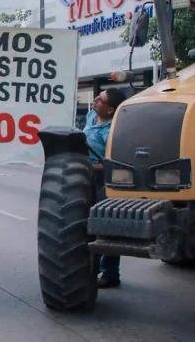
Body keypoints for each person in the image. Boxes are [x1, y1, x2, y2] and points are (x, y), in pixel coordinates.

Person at [84, 87, 127, 289]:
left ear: (110, 110)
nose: (95, 100)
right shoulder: (92, 116)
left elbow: (112, 163)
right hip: (87, 178)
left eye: (100, 100)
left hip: (102, 181)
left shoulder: (110, 133)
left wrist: (89, 166)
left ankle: (110, 273)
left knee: (105, 226)